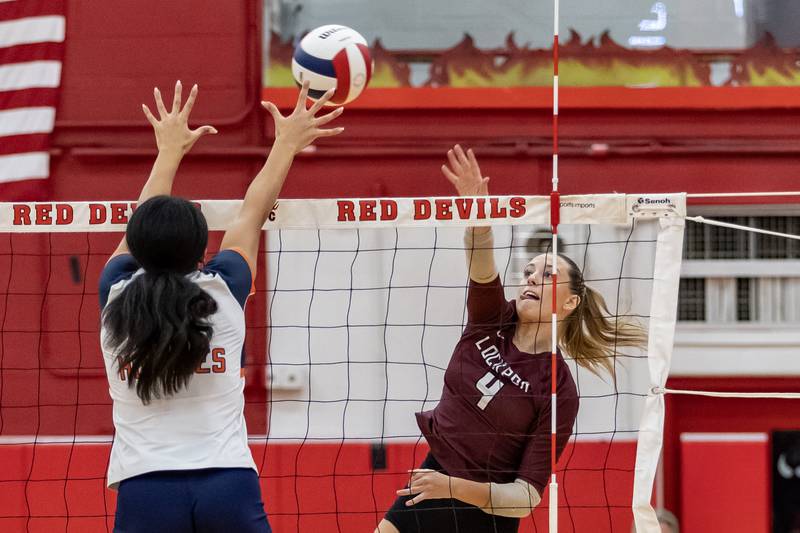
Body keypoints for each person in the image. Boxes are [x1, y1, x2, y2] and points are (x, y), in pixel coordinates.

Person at [99, 80, 343, 532]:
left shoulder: (115, 292)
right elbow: (252, 211)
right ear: (200, 248)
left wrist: (168, 151)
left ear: (137, 246)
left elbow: (143, 219)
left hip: (145, 487)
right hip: (226, 482)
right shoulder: (224, 290)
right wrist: (286, 143)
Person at [376, 146, 647, 533]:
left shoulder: (558, 389)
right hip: (433, 478)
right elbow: (481, 262)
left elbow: (525, 497)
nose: (532, 277)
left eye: (548, 273)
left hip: (487, 511)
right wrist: (477, 212)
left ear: (570, 302)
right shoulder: (492, 320)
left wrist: (455, 488)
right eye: (530, 270)